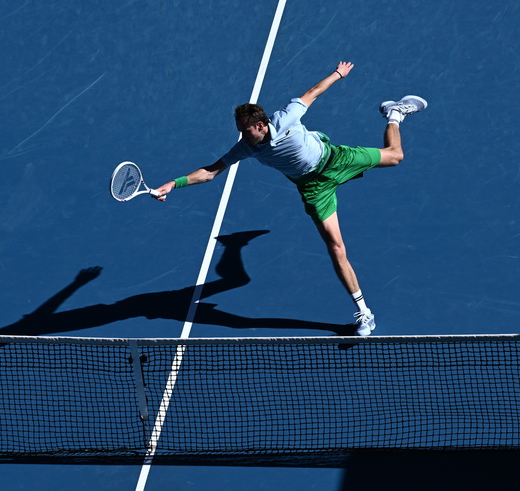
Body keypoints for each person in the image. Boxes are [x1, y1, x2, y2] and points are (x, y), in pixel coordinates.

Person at [153, 61, 427, 336]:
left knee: (396, 156)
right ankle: (365, 314)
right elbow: (211, 172)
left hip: (336, 160)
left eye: (246, 131)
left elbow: (313, 93)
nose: (242, 137)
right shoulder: (246, 148)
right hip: (313, 188)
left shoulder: (286, 117)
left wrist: (338, 74)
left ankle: (394, 114)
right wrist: (173, 184)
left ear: (261, 125)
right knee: (336, 247)